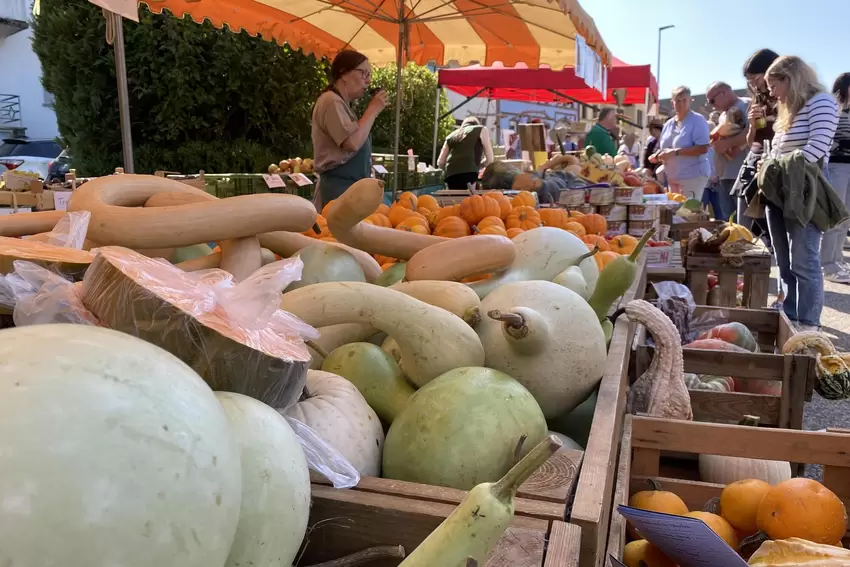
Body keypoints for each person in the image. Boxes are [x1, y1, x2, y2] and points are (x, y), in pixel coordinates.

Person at [759, 55, 841, 331]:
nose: (770, 92)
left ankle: (809, 322)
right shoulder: (788, 110)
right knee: (783, 258)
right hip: (779, 189)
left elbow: (817, 148)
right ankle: (790, 313)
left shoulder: (822, 102)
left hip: (804, 189)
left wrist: (775, 167)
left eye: (773, 85)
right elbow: (780, 150)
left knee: (804, 258)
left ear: (789, 79)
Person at [311, 50, 388, 209]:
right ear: (344, 74)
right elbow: (351, 143)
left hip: (349, 190)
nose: (367, 81)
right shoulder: (331, 101)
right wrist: (373, 109)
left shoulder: (342, 104)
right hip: (338, 190)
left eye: (369, 75)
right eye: (363, 74)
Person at [650, 86, 711, 200]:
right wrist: (658, 155)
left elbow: (703, 148)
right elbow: (666, 147)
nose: (681, 104)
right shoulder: (668, 124)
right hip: (672, 177)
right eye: (677, 100)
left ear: (690, 100)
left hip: (692, 175)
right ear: (672, 102)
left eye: (684, 100)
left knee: (688, 212)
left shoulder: (698, 120)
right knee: (675, 213)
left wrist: (676, 152)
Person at [820, 73, 850, 282]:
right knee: (835, 217)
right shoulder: (833, 109)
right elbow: (827, 140)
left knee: (846, 218)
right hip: (837, 167)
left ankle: (837, 259)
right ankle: (827, 265)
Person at [707, 81, 750, 220]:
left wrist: (727, 144)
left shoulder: (745, 106)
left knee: (743, 223)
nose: (711, 105)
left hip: (740, 175)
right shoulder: (723, 114)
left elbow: (751, 133)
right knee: (729, 221)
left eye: (712, 100)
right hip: (725, 175)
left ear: (724, 92)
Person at [437, 116, 495, 189]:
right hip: (469, 172)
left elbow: (440, 162)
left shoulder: (450, 136)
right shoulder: (481, 129)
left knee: (455, 199)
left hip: (451, 175)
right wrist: (481, 164)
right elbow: (490, 159)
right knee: (469, 199)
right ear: (476, 124)